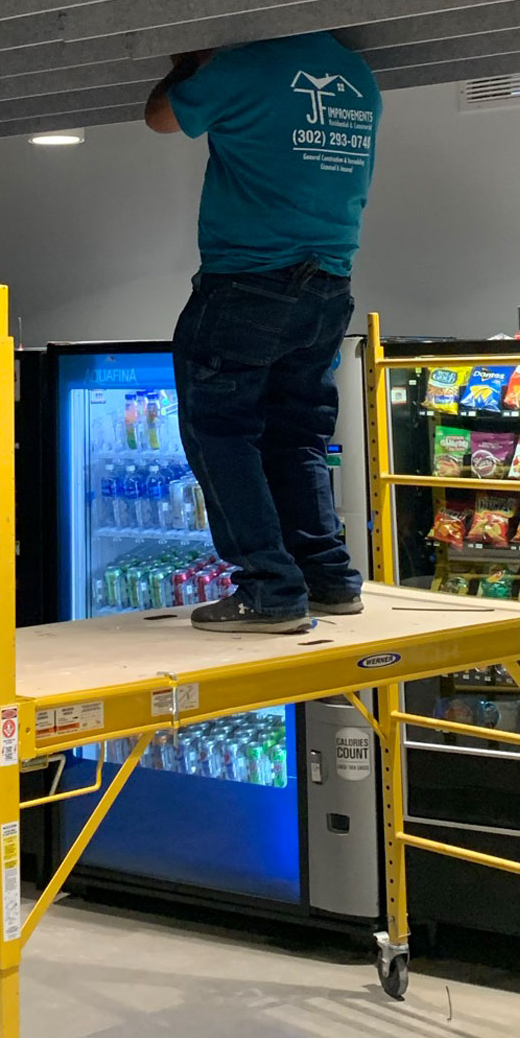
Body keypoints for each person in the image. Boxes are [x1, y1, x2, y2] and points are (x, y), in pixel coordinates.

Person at [145, 32, 382, 633]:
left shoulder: (245, 65)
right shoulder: (355, 74)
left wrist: (185, 66)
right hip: (329, 285)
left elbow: (161, 118)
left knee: (220, 431)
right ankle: (327, 579)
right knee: (297, 436)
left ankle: (269, 589)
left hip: (248, 283)